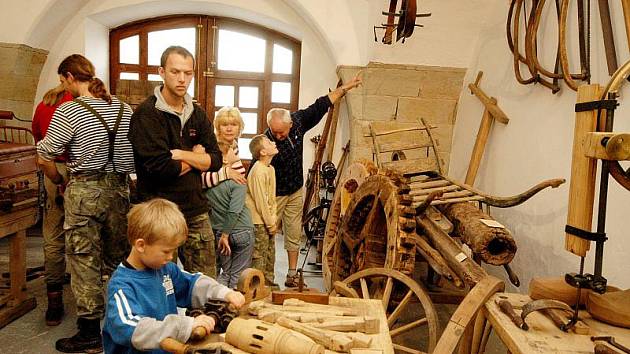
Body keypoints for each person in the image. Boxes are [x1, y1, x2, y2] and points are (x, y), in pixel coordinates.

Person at [36, 54, 134, 352]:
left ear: (68, 77)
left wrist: (59, 181)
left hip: (85, 191)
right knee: (120, 258)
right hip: (120, 191)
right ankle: (127, 320)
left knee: (83, 259)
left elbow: (45, 156)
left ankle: (90, 331)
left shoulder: (69, 110)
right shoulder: (124, 108)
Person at [102, 198, 245, 354]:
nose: (171, 257)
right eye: (166, 251)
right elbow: (133, 328)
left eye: (174, 250)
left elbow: (192, 284)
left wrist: (224, 293)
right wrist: (185, 326)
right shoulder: (121, 286)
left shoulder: (166, 269)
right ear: (141, 245)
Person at [128, 46, 222, 277]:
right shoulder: (146, 114)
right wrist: (197, 155)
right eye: (175, 72)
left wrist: (181, 154)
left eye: (188, 73)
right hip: (157, 213)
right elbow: (162, 168)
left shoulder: (196, 114)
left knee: (206, 285)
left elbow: (217, 160)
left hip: (194, 210)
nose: (182, 79)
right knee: (158, 286)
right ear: (161, 72)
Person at [264, 75, 362, 287]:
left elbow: (322, 104)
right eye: (274, 132)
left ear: (290, 124)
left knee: (293, 232)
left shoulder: (298, 121)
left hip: (295, 190)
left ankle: (291, 274)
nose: (278, 136)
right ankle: (267, 278)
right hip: (275, 193)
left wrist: (344, 88)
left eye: (281, 132)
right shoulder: (267, 140)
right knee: (268, 233)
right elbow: (257, 171)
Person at [31, 83, 73, 326]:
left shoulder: (45, 104)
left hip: (52, 168)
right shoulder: (80, 103)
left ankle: (54, 302)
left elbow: (37, 137)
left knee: (53, 234)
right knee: (85, 235)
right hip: (79, 170)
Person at [246, 134, 279, 288]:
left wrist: (273, 219)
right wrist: (269, 222)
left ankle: (269, 287)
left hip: (268, 220)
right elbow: (261, 201)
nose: (273, 142)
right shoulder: (258, 170)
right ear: (263, 152)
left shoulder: (270, 169)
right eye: (268, 142)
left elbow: (271, 198)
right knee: (259, 257)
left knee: (270, 256)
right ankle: (256, 289)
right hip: (258, 221)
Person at [201, 106, 247, 188]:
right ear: (218, 127)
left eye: (233, 124)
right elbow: (201, 181)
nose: (229, 129)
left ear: (239, 127)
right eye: (225, 125)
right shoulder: (211, 146)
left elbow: (239, 176)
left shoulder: (234, 145)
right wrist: (227, 170)